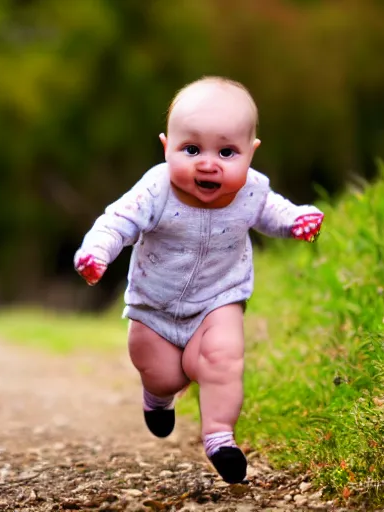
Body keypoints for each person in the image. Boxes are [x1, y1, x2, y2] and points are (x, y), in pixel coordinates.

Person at [74, 76, 324, 484]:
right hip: (155, 307)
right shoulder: (155, 189)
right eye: (191, 149)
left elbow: (274, 213)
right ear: (165, 146)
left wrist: (298, 221)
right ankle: (157, 397)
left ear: (251, 153)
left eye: (227, 152)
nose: (208, 163)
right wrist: (97, 252)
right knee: (165, 374)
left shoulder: (252, 191)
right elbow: (117, 221)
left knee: (222, 357)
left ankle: (220, 437)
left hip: (218, 298)